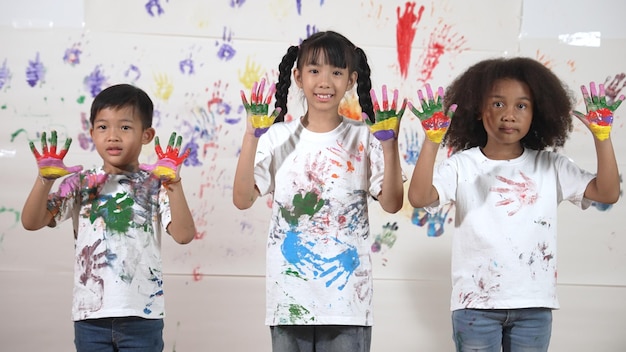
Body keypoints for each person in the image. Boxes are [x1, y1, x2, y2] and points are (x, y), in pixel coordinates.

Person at [407, 57, 623, 352]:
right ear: (480, 110)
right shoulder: (462, 165)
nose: (509, 114)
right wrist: (432, 141)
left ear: (537, 113)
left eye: (521, 105)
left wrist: (603, 138)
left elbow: (608, 193)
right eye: (498, 104)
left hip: (533, 305)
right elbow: (419, 198)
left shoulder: (550, 166)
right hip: (474, 305)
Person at [232, 31, 405, 352]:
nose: (325, 81)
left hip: (347, 301)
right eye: (314, 71)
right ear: (297, 76)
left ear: (352, 80)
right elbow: (242, 199)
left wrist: (390, 145)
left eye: (336, 72)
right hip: (289, 298)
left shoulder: (367, 137)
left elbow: (393, 203)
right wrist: (250, 136)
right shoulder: (275, 136)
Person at [21, 83, 197, 352]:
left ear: (146, 135)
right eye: (103, 127)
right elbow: (32, 222)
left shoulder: (155, 184)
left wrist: (174, 185)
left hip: (143, 316)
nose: (113, 136)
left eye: (125, 127)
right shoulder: (81, 183)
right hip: (90, 318)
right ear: (92, 133)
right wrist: (43, 181)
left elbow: (184, 235)